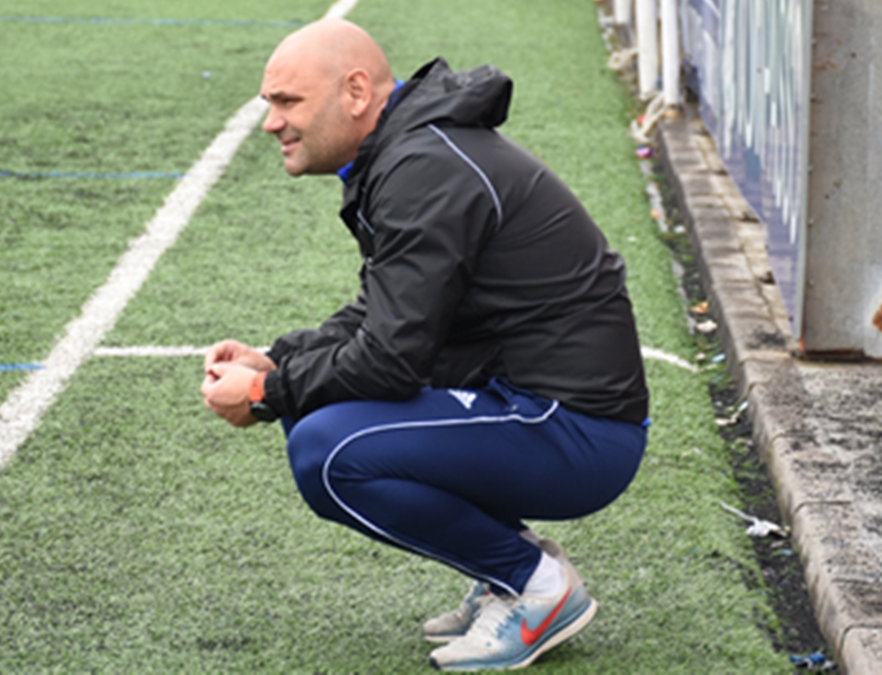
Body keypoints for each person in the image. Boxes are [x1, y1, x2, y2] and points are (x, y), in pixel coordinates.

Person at [200, 18, 649, 672]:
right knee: (312, 404)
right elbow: (383, 311)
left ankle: (535, 584)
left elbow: (390, 355)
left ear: (356, 92)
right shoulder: (412, 151)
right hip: (535, 403)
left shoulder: (423, 165)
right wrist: (281, 358)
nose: (271, 122)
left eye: (287, 101)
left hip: (576, 430)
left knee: (326, 450)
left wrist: (267, 391)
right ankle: (507, 574)